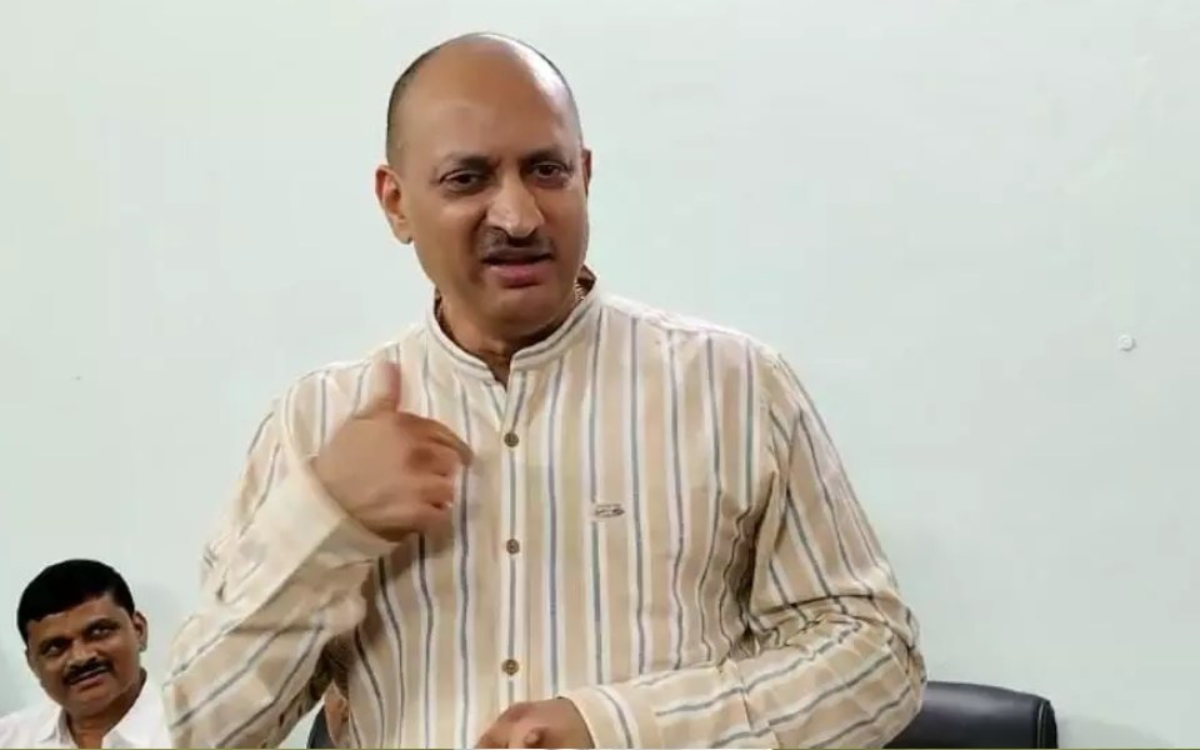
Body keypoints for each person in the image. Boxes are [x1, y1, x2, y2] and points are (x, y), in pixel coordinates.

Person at [163, 32, 925, 748]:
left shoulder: (735, 386)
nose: (519, 216)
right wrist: (325, 521)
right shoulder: (315, 424)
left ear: (585, 174)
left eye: (546, 170)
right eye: (467, 179)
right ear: (395, 203)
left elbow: (874, 657)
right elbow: (195, 730)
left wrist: (620, 730)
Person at [0, 560, 171, 749]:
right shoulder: (9, 739)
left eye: (99, 632)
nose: (81, 657)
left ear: (138, 630)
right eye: (56, 647)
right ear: (32, 664)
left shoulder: (188, 732)